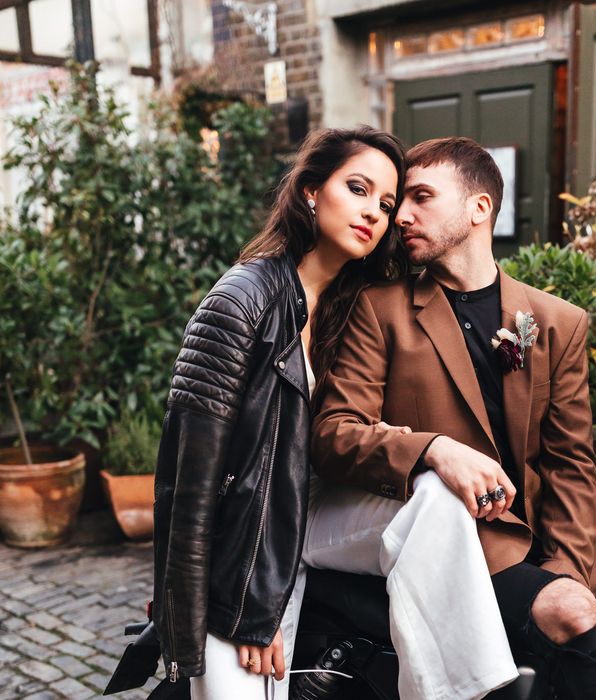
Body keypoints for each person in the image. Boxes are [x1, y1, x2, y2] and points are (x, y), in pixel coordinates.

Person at [306, 137, 596, 699]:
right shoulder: (380, 309)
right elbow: (335, 433)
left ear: (479, 209)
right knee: (573, 613)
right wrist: (433, 448)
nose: (400, 216)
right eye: (396, 203)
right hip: (446, 544)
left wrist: (566, 569)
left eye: (421, 197)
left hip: (537, 550)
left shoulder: (557, 323)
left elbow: (571, 464)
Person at [151, 125, 409, 700]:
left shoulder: (348, 310)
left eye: (387, 204)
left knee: (435, 500)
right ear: (312, 191)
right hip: (238, 559)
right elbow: (191, 487)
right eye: (359, 188)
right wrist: (244, 610)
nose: (373, 212)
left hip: (304, 526)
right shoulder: (241, 300)